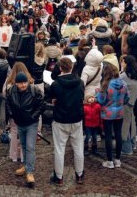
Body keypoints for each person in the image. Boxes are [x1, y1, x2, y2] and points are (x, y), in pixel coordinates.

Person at [6, 72, 46, 187]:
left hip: (31, 123)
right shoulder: (11, 91)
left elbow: (42, 105)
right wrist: (11, 114)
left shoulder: (34, 90)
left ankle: (29, 172)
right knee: (23, 145)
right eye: (20, 83)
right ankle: (26, 166)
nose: (23, 85)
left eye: (25, 82)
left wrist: (33, 116)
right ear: (16, 83)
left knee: (30, 147)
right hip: (19, 123)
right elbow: (8, 103)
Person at [50, 57, 85, 186]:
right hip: (76, 118)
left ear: (60, 68)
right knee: (78, 148)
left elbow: (53, 100)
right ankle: (79, 175)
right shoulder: (80, 82)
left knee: (59, 149)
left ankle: (59, 177)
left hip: (61, 119)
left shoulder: (55, 84)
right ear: (72, 67)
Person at [96, 62, 129, 169]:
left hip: (107, 113)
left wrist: (97, 92)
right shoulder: (123, 83)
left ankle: (109, 160)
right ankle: (118, 159)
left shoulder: (106, 85)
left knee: (108, 136)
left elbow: (101, 100)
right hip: (119, 112)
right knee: (118, 134)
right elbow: (127, 98)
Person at [120, 55, 137, 155]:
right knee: (132, 124)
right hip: (134, 102)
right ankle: (133, 144)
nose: (121, 63)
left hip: (125, 104)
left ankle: (127, 148)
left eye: (123, 62)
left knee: (125, 126)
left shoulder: (124, 76)